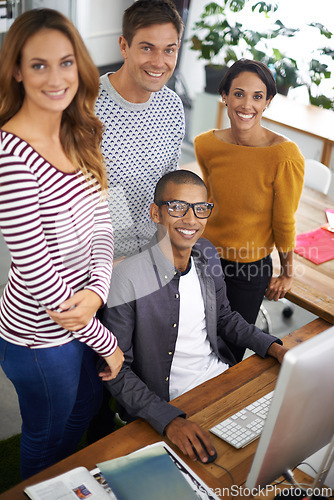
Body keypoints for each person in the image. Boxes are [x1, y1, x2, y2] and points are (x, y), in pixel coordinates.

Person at [0, 8, 123, 479]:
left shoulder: (77, 131)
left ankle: (67, 486)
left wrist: (94, 296)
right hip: (39, 336)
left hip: (82, 318)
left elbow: (103, 227)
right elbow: (36, 275)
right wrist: (105, 339)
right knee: (46, 438)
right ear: (17, 70)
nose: (56, 77)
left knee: (80, 416)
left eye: (66, 62)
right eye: (39, 64)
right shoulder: (12, 156)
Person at [98, 170, 287, 464]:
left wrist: (275, 347)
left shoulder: (207, 253)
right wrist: (169, 420)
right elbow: (116, 371)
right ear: (156, 213)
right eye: (177, 207)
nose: (191, 219)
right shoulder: (127, 278)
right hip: (171, 403)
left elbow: (224, 317)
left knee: (280, 441)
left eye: (201, 209)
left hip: (220, 379)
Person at [194, 59, 304, 362]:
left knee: (228, 353)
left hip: (249, 267)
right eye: (239, 93)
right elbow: (211, 203)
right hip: (204, 258)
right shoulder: (206, 144)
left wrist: (287, 273)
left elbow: (284, 222)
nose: (247, 104)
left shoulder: (284, 156)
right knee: (195, 341)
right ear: (224, 95)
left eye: (258, 96)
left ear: (267, 102)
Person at [95, 0, 185, 259]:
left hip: (152, 255)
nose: (159, 62)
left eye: (169, 50)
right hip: (98, 263)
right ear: (124, 46)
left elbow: (168, 180)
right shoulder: (86, 108)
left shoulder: (172, 106)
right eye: (147, 48)